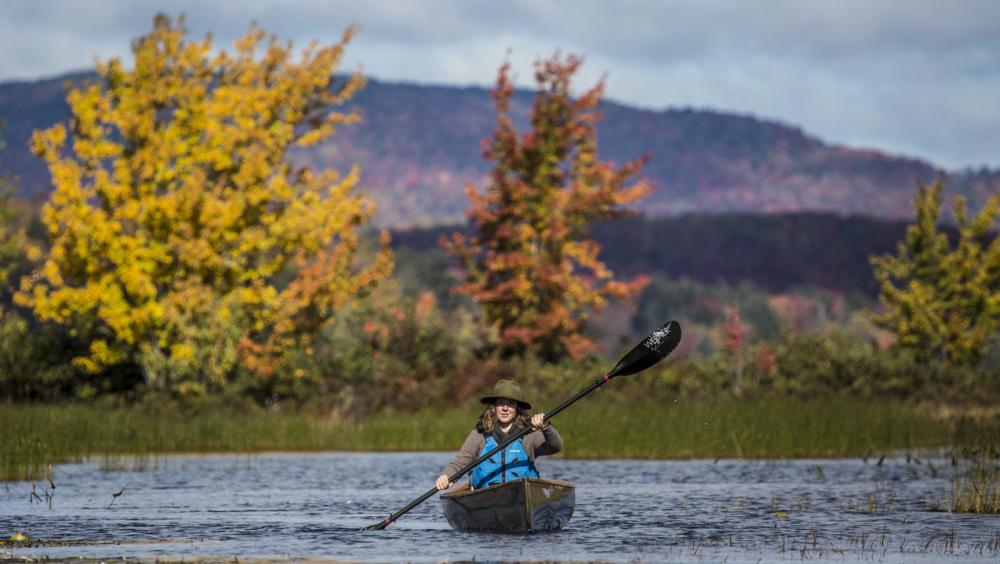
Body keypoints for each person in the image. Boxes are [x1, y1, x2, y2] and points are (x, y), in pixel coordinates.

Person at [436, 379, 562, 491]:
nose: (505, 408)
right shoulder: (478, 436)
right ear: (494, 407)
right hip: (485, 499)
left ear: (517, 408)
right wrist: (446, 477)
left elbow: (555, 446)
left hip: (521, 495)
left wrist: (546, 427)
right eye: (500, 403)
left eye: (510, 403)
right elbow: (459, 463)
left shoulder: (529, 436)